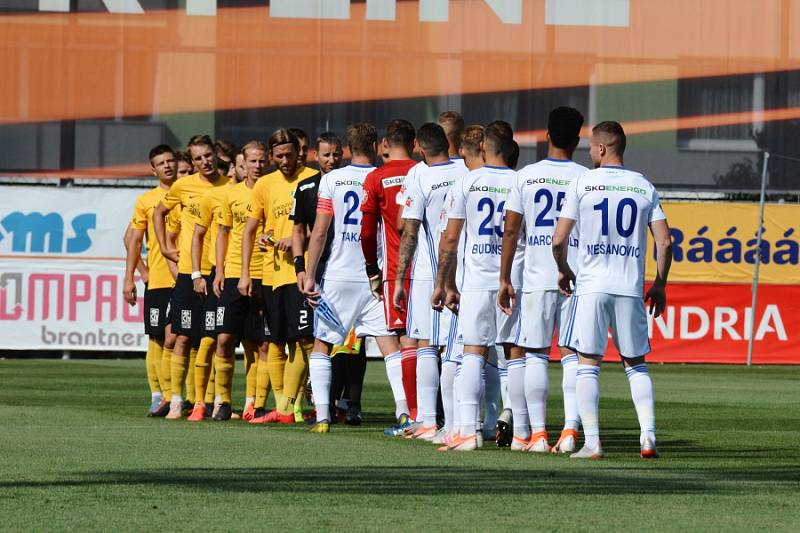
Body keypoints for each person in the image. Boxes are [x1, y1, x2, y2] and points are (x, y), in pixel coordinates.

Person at [552, 120, 672, 459]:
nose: (589, 152)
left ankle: (592, 443)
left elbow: (558, 240)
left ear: (602, 149)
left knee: (587, 363)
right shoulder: (643, 185)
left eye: (591, 146)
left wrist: (564, 270)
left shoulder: (583, 183)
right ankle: (647, 437)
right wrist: (659, 285)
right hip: (629, 287)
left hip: (591, 287)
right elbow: (664, 242)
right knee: (636, 365)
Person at [498, 107, 588, 453]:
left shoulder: (526, 176)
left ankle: (536, 435)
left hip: (536, 277)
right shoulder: (585, 177)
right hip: (576, 278)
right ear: (578, 140)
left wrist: (505, 277)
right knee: (573, 356)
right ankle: (568, 432)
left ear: (546, 136)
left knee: (534, 354)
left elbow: (511, 229)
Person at [300, 122, 398, 434]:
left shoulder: (333, 179)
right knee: (389, 345)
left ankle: (324, 417)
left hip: (339, 275)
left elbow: (319, 232)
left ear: (347, 149)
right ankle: (405, 414)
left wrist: (309, 275)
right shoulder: (383, 177)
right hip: (375, 274)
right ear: (376, 145)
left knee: (322, 345)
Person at [432, 121, 521, 451]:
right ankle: (524, 431)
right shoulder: (520, 180)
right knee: (514, 355)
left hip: (475, 281)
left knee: (472, 352)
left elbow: (450, 239)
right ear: (511, 149)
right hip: (512, 280)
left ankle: (468, 433)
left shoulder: (468, 181)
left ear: (484, 147)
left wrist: (445, 283)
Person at [393, 123, 468, 440]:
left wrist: (399, 278)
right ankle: (471, 422)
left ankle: (427, 421)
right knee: (463, 348)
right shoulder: (466, 169)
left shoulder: (418, 175)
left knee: (425, 344)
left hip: (429, 271)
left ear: (419, 148)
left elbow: (408, 229)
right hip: (465, 270)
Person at [290, 133, 368, 425]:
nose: (331, 160)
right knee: (325, 337)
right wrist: (301, 268)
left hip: (351, 270)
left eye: (336, 154)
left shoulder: (354, 181)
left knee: (355, 340)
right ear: (315, 155)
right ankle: (329, 403)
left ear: (344, 153)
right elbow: (300, 231)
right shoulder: (307, 187)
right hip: (320, 271)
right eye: (326, 155)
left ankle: (353, 404)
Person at [240, 129, 314, 425]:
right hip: (272, 275)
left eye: (289, 154)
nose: (285, 160)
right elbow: (250, 230)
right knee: (275, 343)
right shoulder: (265, 185)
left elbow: (322, 227)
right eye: (279, 155)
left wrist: (296, 238)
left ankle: (291, 405)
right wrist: (246, 273)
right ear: (272, 157)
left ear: (300, 152)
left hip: (302, 272)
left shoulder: (313, 178)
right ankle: (284, 406)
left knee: (305, 340)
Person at [153, 134, 229, 420]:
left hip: (219, 273)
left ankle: (204, 401)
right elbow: (159, 213)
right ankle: (176, 400)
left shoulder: (229, 187)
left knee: (209, 339)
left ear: (215, 154)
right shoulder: (183, 186)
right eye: (198, 158)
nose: (204, 162)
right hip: (188, 272)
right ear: (192, 160)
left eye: (208, 155)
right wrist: (163, 246)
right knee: (182, 337)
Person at [201, 141, 268, 422]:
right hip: (232, 274)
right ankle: (223, 401)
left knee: (260, 344)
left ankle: (255, 403)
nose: (256, 166)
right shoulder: (231, 194)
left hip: (265, 273)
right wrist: (218, 271)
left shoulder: (272, 190)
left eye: (261, 161)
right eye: (252, 161)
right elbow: (222, 233)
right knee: (224, 338)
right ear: (243, 163)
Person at [360, 119, 419, 434]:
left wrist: (372, 268)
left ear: (384, 145)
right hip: (433, 270)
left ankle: (410, 414)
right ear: (415, 143)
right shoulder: (425, 172)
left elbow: (367, 233)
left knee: (404, 341)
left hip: (397, 270)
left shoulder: (377, 177)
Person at [123, 145, 180, 416]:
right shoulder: (147, 200)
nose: (167, 166)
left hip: (187, 277)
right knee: (157, 338)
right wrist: (135, 276)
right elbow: (131, 240)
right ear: (153, 169)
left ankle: (178, 395)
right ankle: (158, 395)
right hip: (158, 279)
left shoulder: (188, 192)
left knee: (180, 338)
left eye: (170, 160)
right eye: (161, 162)